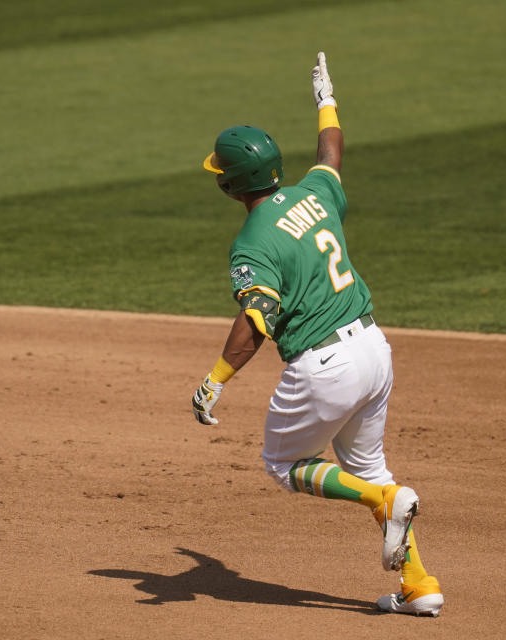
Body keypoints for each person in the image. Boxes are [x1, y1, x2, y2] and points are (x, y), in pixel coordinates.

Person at [191, 52, 444, 617]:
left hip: (324, 367)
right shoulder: (315, 192)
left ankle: (384, 500)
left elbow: (256, 321)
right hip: (375, 350)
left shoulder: (253, 243)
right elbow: (331, 151)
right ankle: (419, 585)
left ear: (230, 186)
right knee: (369, 464)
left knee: (286, 466)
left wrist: (214, 381)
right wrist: (325, 100)